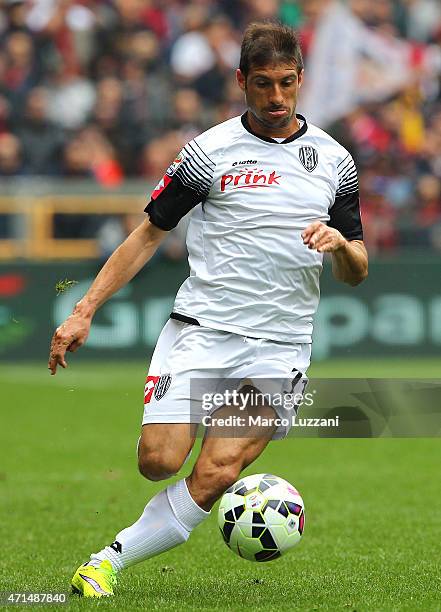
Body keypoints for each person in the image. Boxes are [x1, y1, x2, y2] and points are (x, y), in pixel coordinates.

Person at [48, 22, 368, 597]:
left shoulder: (335, 161)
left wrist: (341, 245)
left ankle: (106, 562)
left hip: (280, 343)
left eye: (288, 84)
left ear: (302, 80)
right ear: (242, 81)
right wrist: (84, 309)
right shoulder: (209, 152)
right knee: (158, 461)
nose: (276, 98)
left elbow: (358, 267)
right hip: (204, 329)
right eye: (264, 84)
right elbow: (148, 234)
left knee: (218, 471)